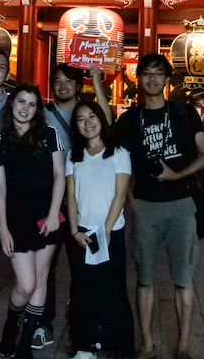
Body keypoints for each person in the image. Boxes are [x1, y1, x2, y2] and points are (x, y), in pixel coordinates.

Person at [97, 53, 204, 359]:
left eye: (158, 73)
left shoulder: (183, 113)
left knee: (183, 277)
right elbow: (106, 136)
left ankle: (184, 345)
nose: (152, 79)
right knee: (145, 277)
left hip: (181, 205)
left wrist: (177, 174)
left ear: (166, 79)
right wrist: (98, 85)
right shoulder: (131, 120)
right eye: (146, 73)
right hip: (146, 207)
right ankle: (147, 344)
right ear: (139, 78)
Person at [0, 83, 66, 359]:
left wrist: (53, 213)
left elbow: (60, 175)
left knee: (41, 279)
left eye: (32, 104)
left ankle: (25, 342)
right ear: (12, 105)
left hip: (48, 214)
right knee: (25, 283)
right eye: (21, 102)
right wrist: (3, 228)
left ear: (37, 109)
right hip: (16, 218)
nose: (25, 108)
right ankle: (12, 323)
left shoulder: (50, 134)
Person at [64, 100, 135, 359]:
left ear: (101, 120)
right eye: (81, 119)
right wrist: (74, 231)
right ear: (76, 126)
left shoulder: (118, 153)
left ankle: (121, 345)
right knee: (83, 289)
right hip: (82, 234)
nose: (87, 123)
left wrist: (105, 230)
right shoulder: (74, 156)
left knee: (113, 288)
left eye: (92, 116)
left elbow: (120, 195)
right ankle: (84, 345)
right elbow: (71, 196)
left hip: (110, 233)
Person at [31, 63, 86, 351]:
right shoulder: (43, 114)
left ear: (79, 85)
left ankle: (80, 327)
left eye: (69, 81)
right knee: (45, 267)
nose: (62, 85)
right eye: (57, 81)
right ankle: (43, 323)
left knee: (81, 268)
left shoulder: (87, 115)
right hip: (50, 201)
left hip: (79, 201)